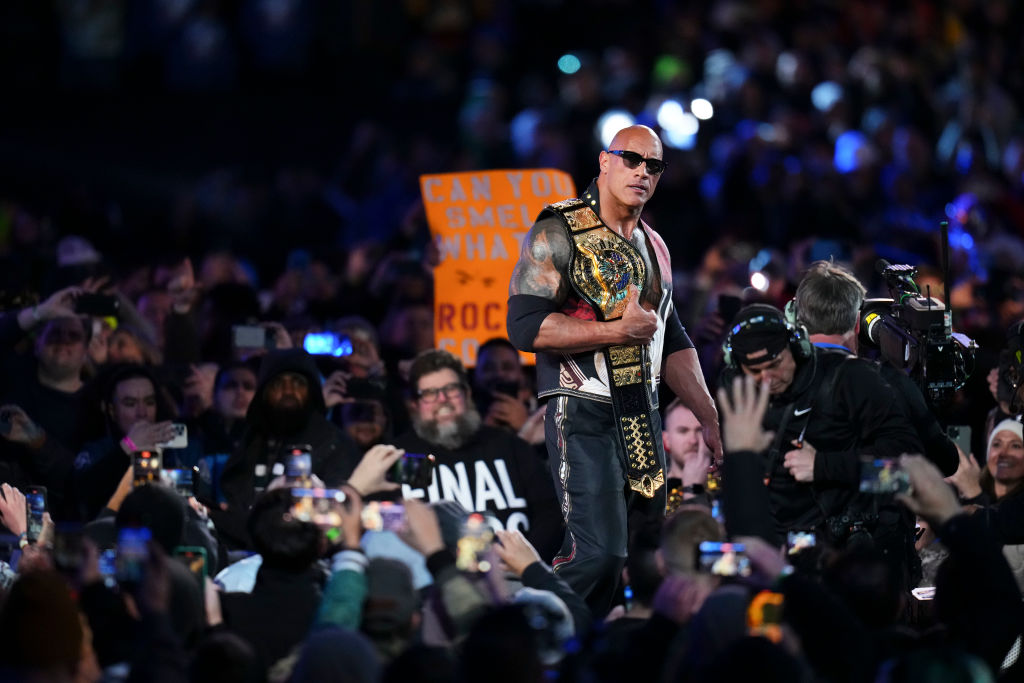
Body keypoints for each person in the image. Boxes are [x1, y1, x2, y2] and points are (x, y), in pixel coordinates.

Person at [506, 124, 720, 612]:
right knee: (598, 555)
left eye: (654, 165)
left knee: (644, 557)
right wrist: (617, 332)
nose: (642, 172)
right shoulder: (558, 230)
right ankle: (535, 628)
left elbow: (670, 337)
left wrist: (708, 415)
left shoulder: (655, 244)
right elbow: (525, 327)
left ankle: (616, 646)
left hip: (642, 413)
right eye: (631, 159)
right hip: (582, 410)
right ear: (604, 162)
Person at [720, 303, 922, 586]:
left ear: (798, 346)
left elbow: (906, 477)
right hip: (775, 557)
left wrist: (824, 466)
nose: (767, 380)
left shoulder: (851, 379)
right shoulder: (736, 391)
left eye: (775, 365)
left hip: (851, 564)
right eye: (754, 371)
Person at [392, 349, 562, 561]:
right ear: (414, 405)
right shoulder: (402, 457)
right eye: (429, 393)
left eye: (451, 389)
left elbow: (550, 513)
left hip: (517, 574)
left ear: (467, 394)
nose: (442, 400)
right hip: (433, 577)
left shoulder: (509, 447)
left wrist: (524, 565)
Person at [792, 260, 958, 476]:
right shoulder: (890, 382)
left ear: (797, 320)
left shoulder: (772, 380)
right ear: (858, 323)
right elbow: (943, 462)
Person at [212, 348, 363, 548]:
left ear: (311, 390)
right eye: (278, 384)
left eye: (298, 383)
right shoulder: (252, 442)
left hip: (318, 547)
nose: (288, 391)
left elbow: (339, 522)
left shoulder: (335, 443)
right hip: (247, 551)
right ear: (264, 393)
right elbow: (237, 504)